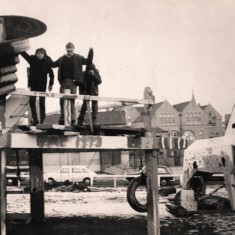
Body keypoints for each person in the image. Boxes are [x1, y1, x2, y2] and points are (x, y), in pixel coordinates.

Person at [52, 42, 93, 125]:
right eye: (68, 48)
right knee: (62, 100)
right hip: (63, 82)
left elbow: (88, 61)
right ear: (66, 49)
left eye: (71, 48)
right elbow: (53, 64)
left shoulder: (78, 57)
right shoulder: (62, 58)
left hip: (73, 82)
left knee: (72, 100)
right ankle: (62, 119)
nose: (69, 49)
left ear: (73, 49)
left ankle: (73, 119)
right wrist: (46, 58)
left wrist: (91, 51)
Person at [20, 48, 54, 125]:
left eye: (41, 53)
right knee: (32, 101)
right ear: (36, 54)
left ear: (44, 55)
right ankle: (35, 119)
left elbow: (51, 75)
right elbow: (25, 55)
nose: (39, 55)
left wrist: (50, 84)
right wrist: (18, 49)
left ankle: (43, 120)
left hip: (42, 86)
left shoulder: (47, 62)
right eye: (38, 53)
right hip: (33, 85)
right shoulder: (32, 60)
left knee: (42, 103)